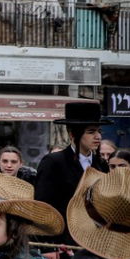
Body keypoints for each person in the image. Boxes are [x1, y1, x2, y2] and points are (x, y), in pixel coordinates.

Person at [35, 101, 110, 247]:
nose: (98, 137)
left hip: (97, 240)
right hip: (63, 242)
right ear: (72, 134)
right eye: (91, 132)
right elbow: (43, 207)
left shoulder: (101, 164)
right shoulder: (54, 162)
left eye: (99, 131)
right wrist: (48, 246)